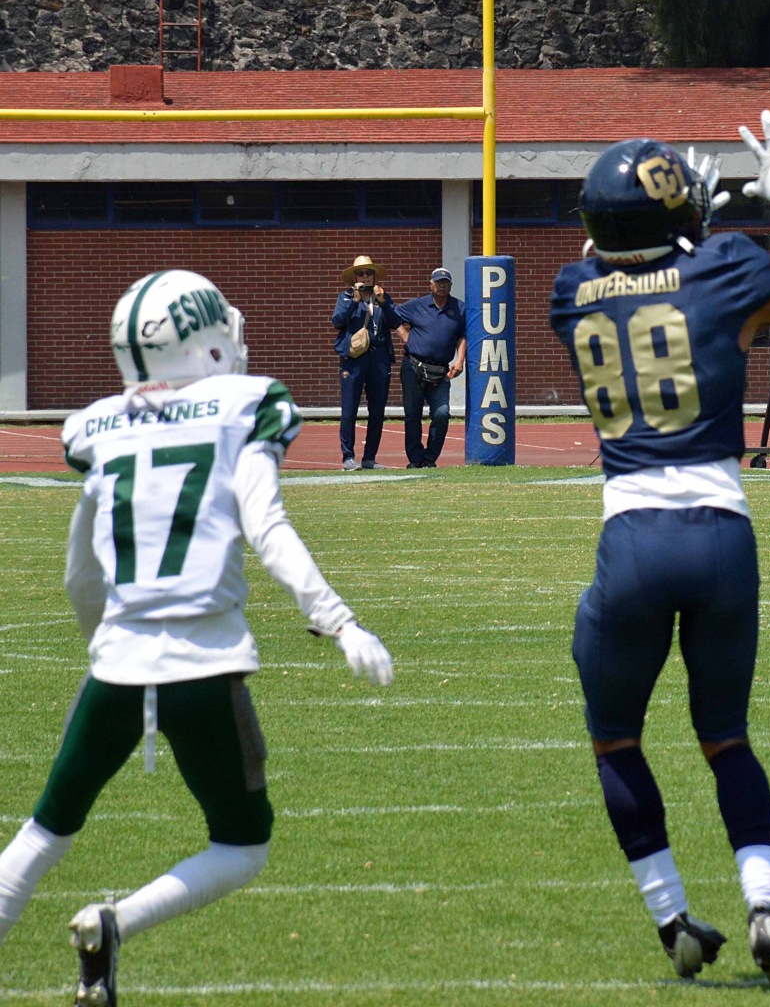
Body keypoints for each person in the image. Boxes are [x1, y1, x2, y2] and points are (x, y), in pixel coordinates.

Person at [0, 270, 394, 1005]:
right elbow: (266, 526)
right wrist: (339, 620)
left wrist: (103, 643)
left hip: (116, 666)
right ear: (203, 343)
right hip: (203, 666)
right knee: (242, 845)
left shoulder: (98, 427)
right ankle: (116, 921)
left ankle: (104, 928)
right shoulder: (245, 407)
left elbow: (80, 576)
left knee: (43, 835)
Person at [549, 112, 770, 986]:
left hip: (632, 539)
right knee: (725, 739)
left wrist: (681, 226)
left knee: (616, 740)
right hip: (722, 534)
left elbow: (618, 266)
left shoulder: (571, 293)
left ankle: (673, 918)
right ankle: (765, 907)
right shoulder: (723, 271)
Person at [330, 255, 399, 470]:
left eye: (369, 273)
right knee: (349, 409)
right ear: (355, 277)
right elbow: (337, 321)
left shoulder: (382, 297)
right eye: (361, 273)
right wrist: (355, 301)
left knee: (377, 410)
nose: (366, 277)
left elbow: (395, 322)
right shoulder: (346, 297)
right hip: (354, 359)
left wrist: (384, 303)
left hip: (379, 358)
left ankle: (369, 457)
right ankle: (348, 457)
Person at [394, 267, 467, 468]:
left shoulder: (459, 308)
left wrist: (460, 360)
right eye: (438, 282)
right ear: (431, 284)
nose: (442, 285)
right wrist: (404, 335)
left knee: (442, 413)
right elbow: (393, 316)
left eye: (446, 282)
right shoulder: (417, 305)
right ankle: (415, 459)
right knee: (412, 414)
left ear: (450, 285)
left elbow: (462, 336)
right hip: (413, 366)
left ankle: (430, 457)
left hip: (441, 370)